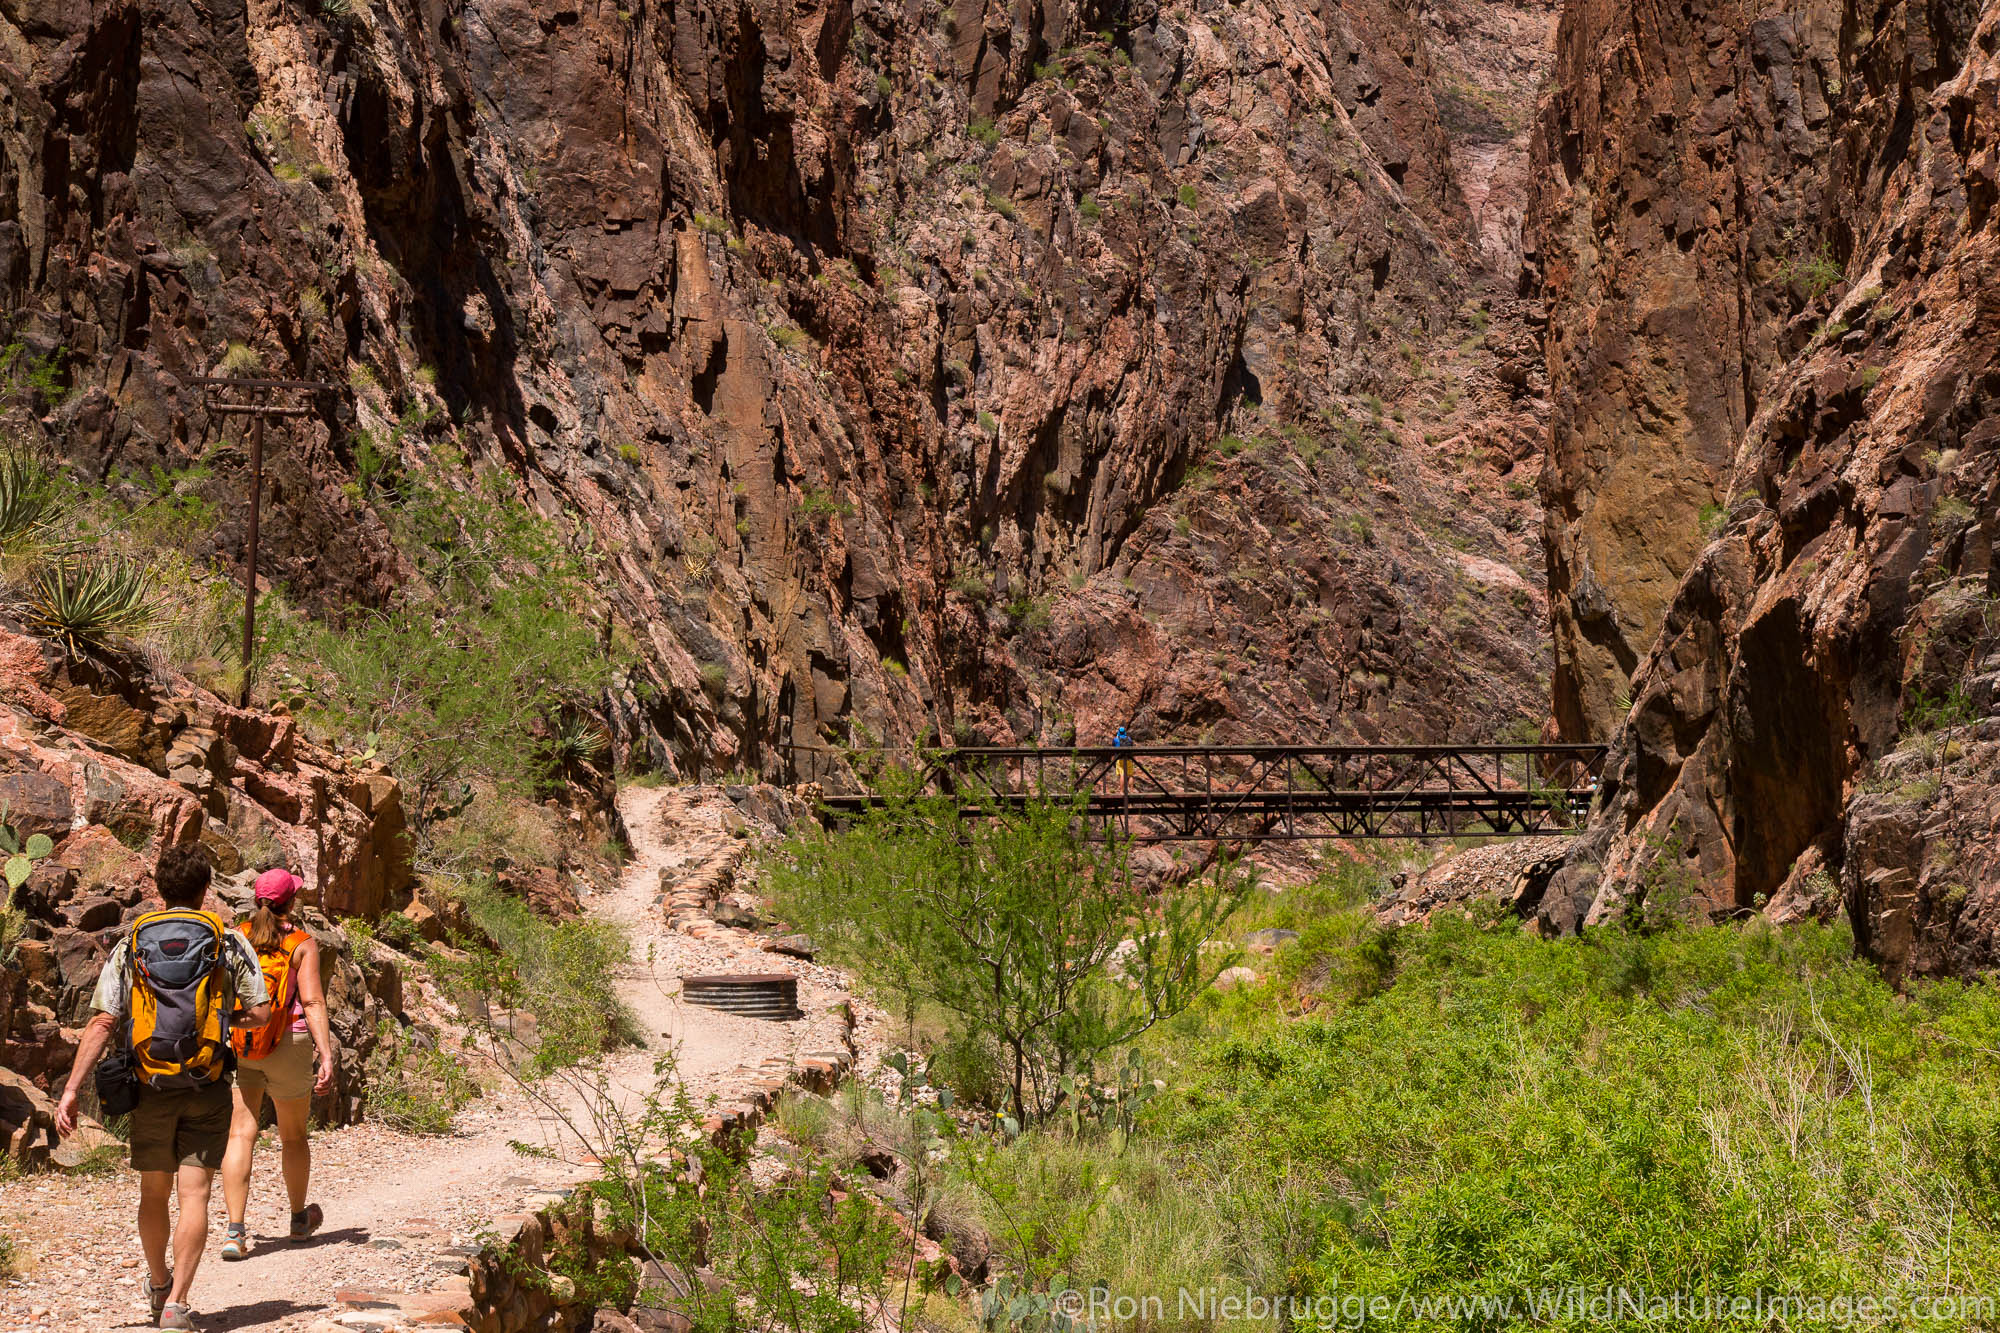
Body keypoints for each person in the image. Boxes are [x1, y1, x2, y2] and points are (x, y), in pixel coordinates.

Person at [56, 847, 271, 1331]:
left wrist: (71, 1088)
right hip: (208, 1082)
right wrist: (220, 1021)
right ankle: (178, 1303)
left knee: (153, 1193)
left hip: (149, 1083)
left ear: (160, 887)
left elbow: (103, 1021)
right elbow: (260, 1012)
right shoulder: (228, 940)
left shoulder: (132, 940)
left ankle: (157, 1284)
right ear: (204, 890)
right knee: (194, 1195)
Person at [219, 867, 336, 1258]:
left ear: (256, 901)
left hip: (243, 1040)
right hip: (290, 1041)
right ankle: (299, 1220)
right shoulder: (302, 943)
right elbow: (314, 1001)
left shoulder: (235, 936)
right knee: (292, 1135)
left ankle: (235, 1231)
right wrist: (326, 1053)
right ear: (291, 902)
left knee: (240, 1134)